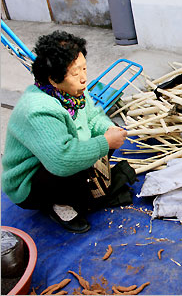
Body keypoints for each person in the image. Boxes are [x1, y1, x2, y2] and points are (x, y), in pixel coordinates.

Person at [2, 30, 129, 233]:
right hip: (32, 180)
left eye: (84, 68)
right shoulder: (38, 110)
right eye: (75, 73)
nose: (84, 78)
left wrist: (108, 129)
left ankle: (79, 189)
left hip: (65, 155)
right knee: (79, 159)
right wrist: (104, 143)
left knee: (106, 139)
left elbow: (93, 117)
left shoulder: (74, 91)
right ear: (53, 79)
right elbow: (62, 159)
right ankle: (59, 204)